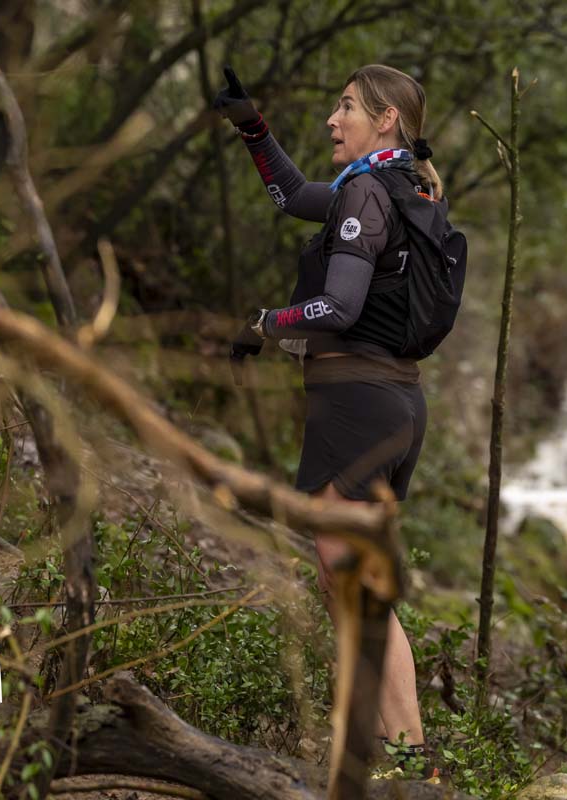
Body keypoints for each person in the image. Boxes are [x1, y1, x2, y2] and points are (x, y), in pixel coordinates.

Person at [214, 64, 446, 780]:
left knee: (353, 584)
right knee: (350, 581)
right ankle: (390, 757)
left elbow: (338, 308)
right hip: (395, 402)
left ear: (385, 119)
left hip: (358, 404)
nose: (332, 119)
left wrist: (264, 324)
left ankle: (408, 765)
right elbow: (292, 196)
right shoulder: (397, 187)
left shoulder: (368, 193)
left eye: (346, 106)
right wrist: (252, 126)